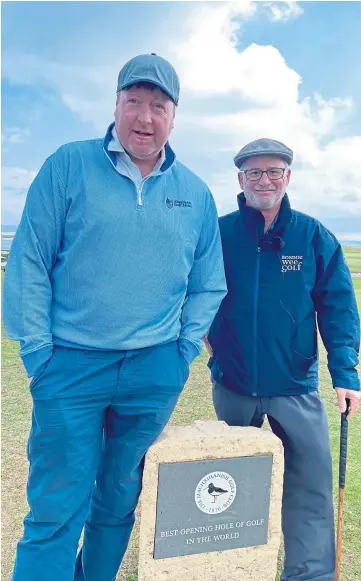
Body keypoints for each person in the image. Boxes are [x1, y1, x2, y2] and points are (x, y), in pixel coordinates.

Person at [3, 53, 227, 581]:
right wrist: (38, 355)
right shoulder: (68, 165)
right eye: (134, 102)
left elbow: (208, 283)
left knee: (117, 502)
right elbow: (30, 260)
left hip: (152, 373)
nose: (144, 118)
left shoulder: (194, 193)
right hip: (70, 367)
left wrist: (183, 352)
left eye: (158, 105)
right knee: (57, 508)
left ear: (174, 116)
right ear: (116, 105)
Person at [206, 138, 360, 581]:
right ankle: (232, 568)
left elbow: (338, 307)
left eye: (274, 171)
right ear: (240, 180)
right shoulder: (220, 232)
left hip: (296, 385)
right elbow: (194, 288)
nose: (264, 180)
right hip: (233, 385)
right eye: (254, 173)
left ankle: (309, 573)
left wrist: (345, 373)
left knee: (309, 488)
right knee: (229, 485)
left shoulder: (312, 235)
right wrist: (201, 332)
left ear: (288, 176)